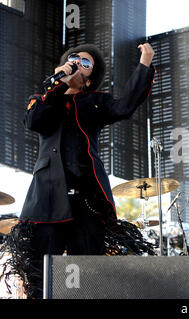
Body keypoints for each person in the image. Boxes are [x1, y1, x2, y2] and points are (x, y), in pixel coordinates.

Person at [6, 43, 156, 298]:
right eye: (74, 58)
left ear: (89, 80)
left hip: (87, 199)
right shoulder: (41, 100)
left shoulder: (95, 101)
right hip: (47, 199)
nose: (78, 63)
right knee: (39, 278)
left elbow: (125, 106)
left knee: (88, 275)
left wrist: (145, 62)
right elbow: (35, 121)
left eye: (86, 63)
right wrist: (57, 84)